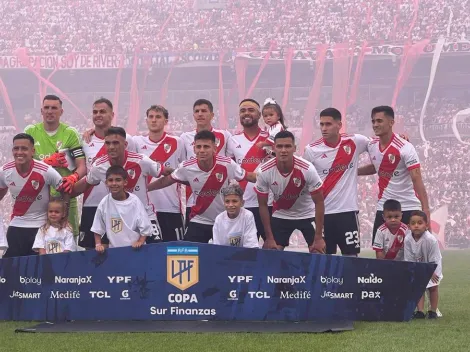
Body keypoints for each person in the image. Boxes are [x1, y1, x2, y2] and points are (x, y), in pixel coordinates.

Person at [148, 130, 256, 244]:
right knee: (188, 254)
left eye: (206, 147)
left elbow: (250, 176)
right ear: (194, 149)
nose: (202, 150)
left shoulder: (227, 164)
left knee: (224, 256)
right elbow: (167, 180)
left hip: (224, 220)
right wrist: (147, 189)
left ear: (214, 149)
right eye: (198, 147)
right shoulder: (186, 167)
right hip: (199, 219)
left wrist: (269, 177)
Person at [72, 127, 167, 242]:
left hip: (145, 216)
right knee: (115, 256)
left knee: (155, 252)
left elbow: (168, 173)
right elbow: (84, 184)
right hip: (117, 219)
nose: (111, 147)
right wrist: (66, 192)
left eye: (115, 143)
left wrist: (151, 187)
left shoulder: (141, 161)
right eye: (108, 143)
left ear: (125, 144)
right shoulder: (99, 166)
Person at [358, 106, 430, 243]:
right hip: (384, 208)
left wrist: (426, 210)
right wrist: (353, 171)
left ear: (391, 122)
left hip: (408, 207)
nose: (375, 125)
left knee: (412, 254)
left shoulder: (405, 147)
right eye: (373, 121)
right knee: (381, 253)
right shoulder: (371, 145)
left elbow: (417, 179)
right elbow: (377, 167)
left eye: (379, 121)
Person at [303, 108, 370, 256]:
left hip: (348, 213)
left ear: (339, 125)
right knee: (323, 259)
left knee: (352, 258)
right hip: (322, 214)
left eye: (328, 124)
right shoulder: (311, 150)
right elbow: (304, 179)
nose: (324, 128)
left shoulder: (355, 141)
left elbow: (380, 151)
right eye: (321, 124)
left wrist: (401, 139)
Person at [24, 94, 86, 237]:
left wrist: (73, 178)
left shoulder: (70, 133)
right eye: (46, 108)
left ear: (61, 112)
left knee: (69, 240)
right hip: (38, 199)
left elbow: (82, 166)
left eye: (54, 108)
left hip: (64, 197)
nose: (50, 111)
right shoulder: (30, 132)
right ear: (41, 111)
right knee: (40, 241)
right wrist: (46, 163)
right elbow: (23, 165)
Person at [79, 98, 137, 249]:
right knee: (91, 252)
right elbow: (81, 171)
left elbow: (136, 168)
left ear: (112, 114)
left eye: (102, 112)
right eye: (95, 112)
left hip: (120, 206)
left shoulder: (127, 139)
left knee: (123, 249)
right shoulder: (85, 140)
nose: (98, 115)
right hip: (91, 204)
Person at [255, 130, 325, 253]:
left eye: (287, 146)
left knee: (319, 252)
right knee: (272, 253)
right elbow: (263, 205)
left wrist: (318, 237)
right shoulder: (264, 171)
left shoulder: (307, 169)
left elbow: (319, 202)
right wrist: (269, 238)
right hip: (281, 214)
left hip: (307, 214)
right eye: (279, 146)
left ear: (294, 148)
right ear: (274, 148)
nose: (283, 150)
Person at [0, 133, 64, 257]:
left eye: (24, 148)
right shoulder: (4, 171)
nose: (19, 152)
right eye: (16, 148)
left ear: (32, 151)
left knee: (42, 270)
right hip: (16, 225)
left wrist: (62, 218)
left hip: (41, 227)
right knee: (11, 269)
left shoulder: (46, 170)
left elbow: (65, 190)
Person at [133, 105, 185, 242]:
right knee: (148, 252)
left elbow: (184, 171)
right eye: (151, 117)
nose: (154, 120)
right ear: (146, 120)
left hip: (170, 207)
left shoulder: (177, 142)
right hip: (144, 209)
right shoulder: (137, 142)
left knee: (175, 251)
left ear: (166, 121)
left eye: (158, 117)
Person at [180, 99, 232, 226]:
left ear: (212, 115)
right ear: (193, 115)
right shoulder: (184, 137)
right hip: (194, 201)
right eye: (197, 111)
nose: (200, 114)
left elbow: (231, 163)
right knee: (193, 245)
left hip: (221, 200)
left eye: (204, 111)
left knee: (221, 244)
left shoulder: (225, 135)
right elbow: (182, 169)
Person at [227, 98, 272, 240]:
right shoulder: (233, 140)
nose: (246, 113)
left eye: (251, 110)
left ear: (259, 115)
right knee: (240, 253)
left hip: (268, 204)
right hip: (242, 206)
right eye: (242, 111)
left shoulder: (270, 137)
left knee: (272, 251)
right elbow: (230, 172)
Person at [91, 165, 151, 253]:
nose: (114, 183)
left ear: (125, 182)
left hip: (135, 250)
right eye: (111, 180)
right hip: (115, 252)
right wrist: (98, 245)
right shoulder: (104, 202)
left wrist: (140, 242)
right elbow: (97, 227)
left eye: (118, 180)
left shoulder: (134, 201)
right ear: (106, 183)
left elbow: (145, 226)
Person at [404, 211, 442, 319]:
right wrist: (413, 269)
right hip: (418, 265)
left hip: (433, 266)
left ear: (426, 225)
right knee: (418, 287)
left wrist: (431, 271)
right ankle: (420, 311)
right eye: (413, 223)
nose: (416, 225)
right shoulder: (407, 240)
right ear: (409, 226)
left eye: (420, 223)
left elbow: (433, 258)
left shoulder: (431, 240)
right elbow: (409, 259)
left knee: (433, 287)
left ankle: (432, 311)